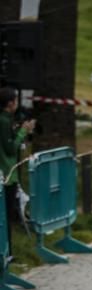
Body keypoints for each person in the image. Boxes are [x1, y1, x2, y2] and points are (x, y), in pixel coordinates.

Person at [1, 88, 34, 247]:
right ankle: (7, 253)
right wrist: (23, 131)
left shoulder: (8, 119)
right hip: (7, 174)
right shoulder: (4, 121)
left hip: (8, 173)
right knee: (5, 216)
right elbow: (10, 149)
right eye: (15, 100)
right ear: (10, 103)